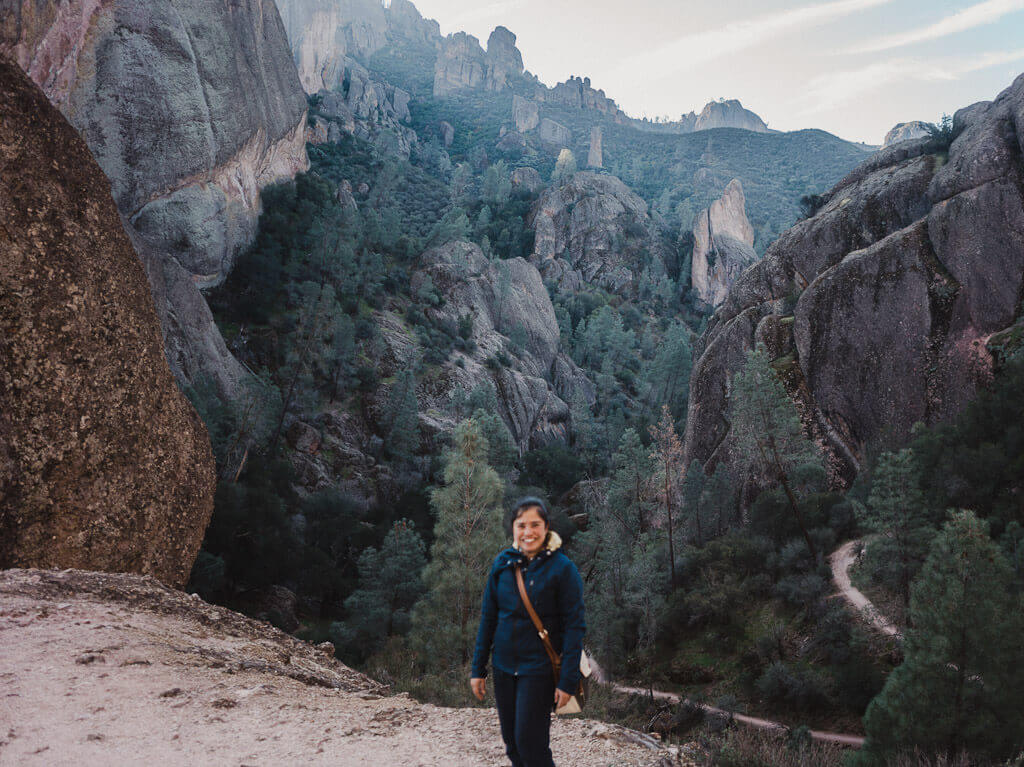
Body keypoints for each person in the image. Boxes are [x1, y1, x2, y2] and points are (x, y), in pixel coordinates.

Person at [470, 496, 585, 767]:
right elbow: (488, 619)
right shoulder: (502, 564)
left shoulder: (563, 569)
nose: (528, 532)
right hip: (504, 668)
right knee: (512, 744)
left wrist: (567, 681)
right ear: (513, 528)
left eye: (535, 524)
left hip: (539, 671)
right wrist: (478, 669)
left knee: (531, 745)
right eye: (522, 525)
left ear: (547, 527)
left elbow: (574, 627)